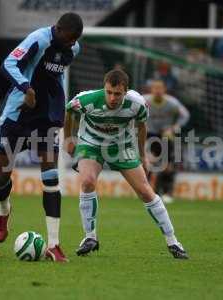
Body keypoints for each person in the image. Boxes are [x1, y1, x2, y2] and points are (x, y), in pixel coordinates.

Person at [64, 69, 188, 259]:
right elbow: (69, 112)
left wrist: (142, 155)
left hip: (122, 146)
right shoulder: (87, 100)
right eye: (109, 92)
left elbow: (141, 126)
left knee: (146, 191)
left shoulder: (137, 104)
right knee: (87, 182)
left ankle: (173, 242)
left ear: (126, 91)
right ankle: (90, 237)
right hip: (91, 143)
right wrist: (68, 139)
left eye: (117, 93)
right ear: (104, 88)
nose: (112, 98)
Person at [0, 12, 83, 262]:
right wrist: (27, 88)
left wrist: (56, 108)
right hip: (19, 113)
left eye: (76, 39)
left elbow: (55, 77)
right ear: (59, 29)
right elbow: (8, 63)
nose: (72, 43)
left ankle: (54, 244)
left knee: (51, 177)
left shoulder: (74, 48)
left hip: (47, 117)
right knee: (1, 178)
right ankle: (3, 209)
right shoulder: (39, 39)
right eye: (69, 38)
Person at [144, 80, 190, 204]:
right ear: (151, 90)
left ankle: (167, 192)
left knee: (167, 166)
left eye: (160, 88)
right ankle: (150, 192)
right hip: (150, 134)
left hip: (166, 135)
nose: (157, 91)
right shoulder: (144, 101)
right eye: (155, 88)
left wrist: (175, 127)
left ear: (164, 90)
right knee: (149, 163)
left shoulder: (172, 103)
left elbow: (185, 115)